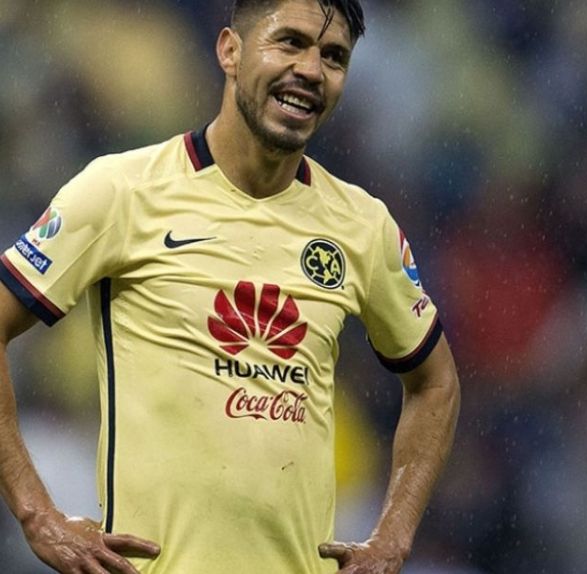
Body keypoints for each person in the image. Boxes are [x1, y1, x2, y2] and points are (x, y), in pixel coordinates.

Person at [0, 0, 461, 572]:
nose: (312, 70)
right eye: (289, 42)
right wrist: (36, 513)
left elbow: (435, 382)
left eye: (334, 57)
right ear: (229, 51)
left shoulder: (362, 226)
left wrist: (393, 536)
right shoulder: (121, 191)